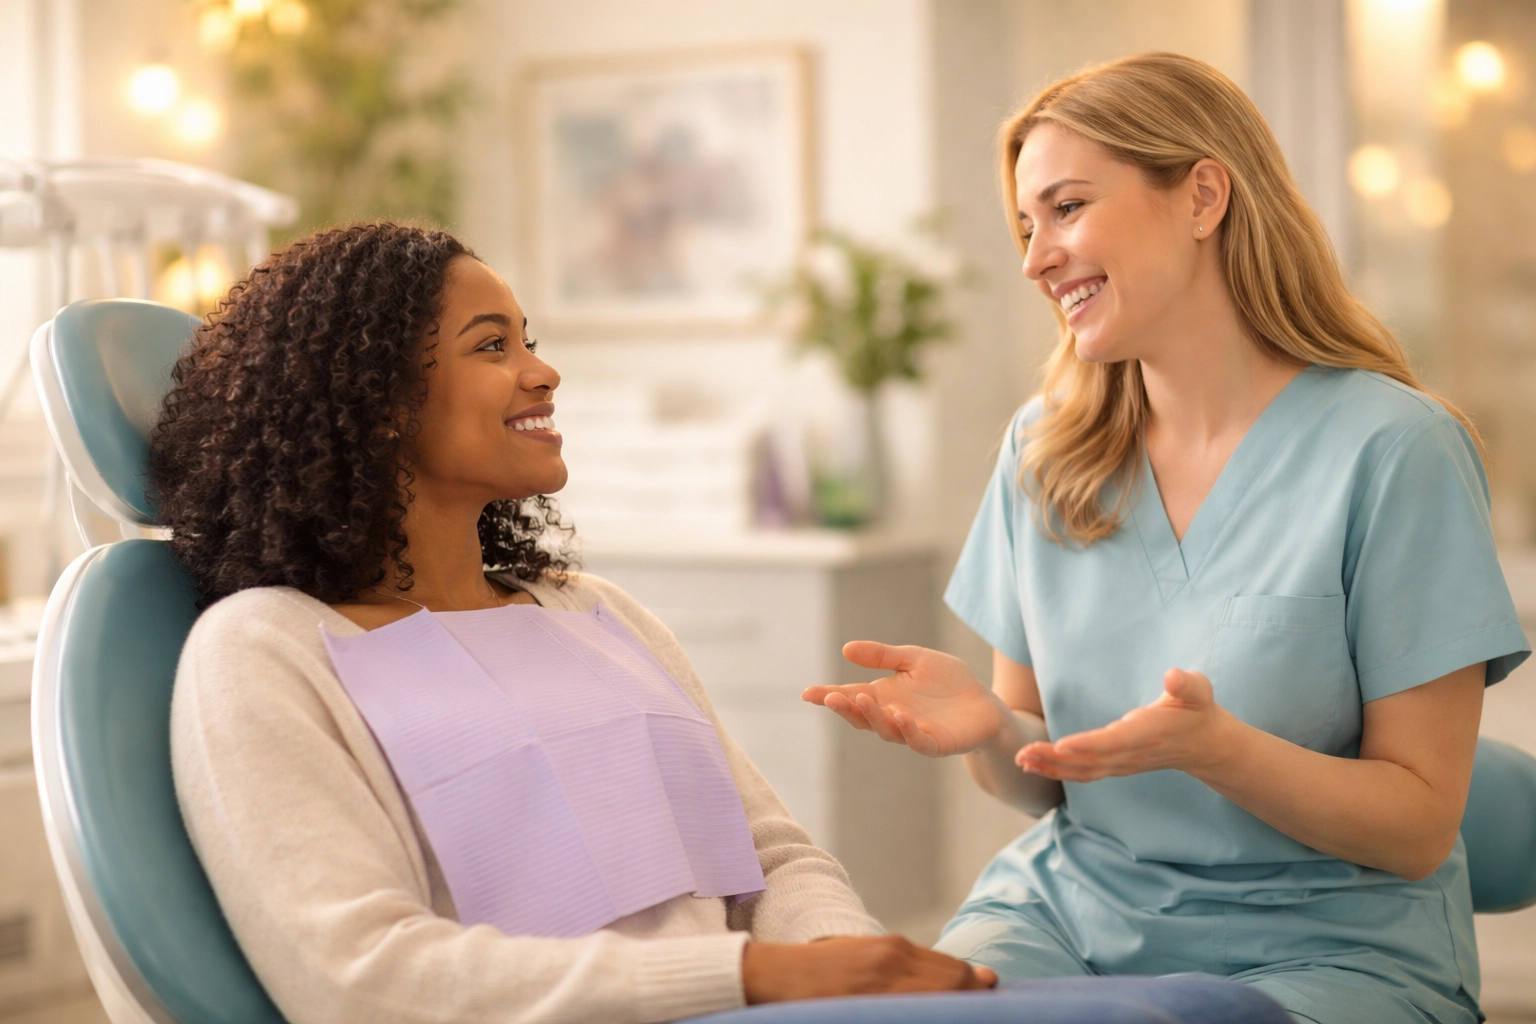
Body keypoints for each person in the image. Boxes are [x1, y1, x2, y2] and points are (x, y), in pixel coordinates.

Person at [803, 53, 1529, 1024]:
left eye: (1066, 208)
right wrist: (991, 730)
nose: (1035, 259)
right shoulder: (1042, 451)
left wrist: (1219, 750)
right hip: (1065, 915)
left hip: (1331, 946)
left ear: (1203, 197)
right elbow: (1044, 784)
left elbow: (1417, 827)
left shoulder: (1395, 449)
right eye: (1026, 226)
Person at [150, 222, 997, 1024]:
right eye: (492, 346)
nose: (543, 372)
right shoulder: (268, 649)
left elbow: (773, 858)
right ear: (378, 401)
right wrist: (750, 976)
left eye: (529, 340)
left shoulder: (595, 612)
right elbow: (357, 978)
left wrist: (845, 971)